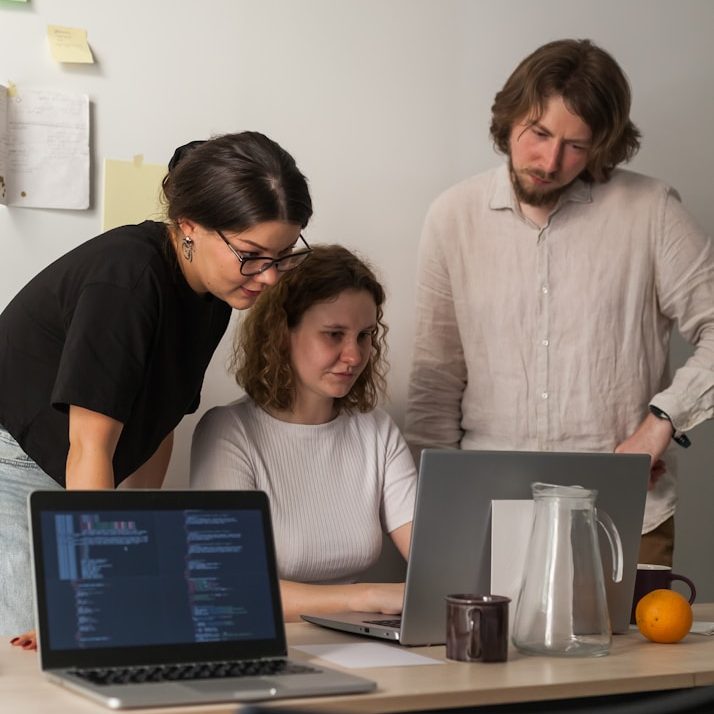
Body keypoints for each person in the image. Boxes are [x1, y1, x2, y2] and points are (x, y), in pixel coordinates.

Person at [405, 39, 714, 566]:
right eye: (539, 133)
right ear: (509, 119)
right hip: (487, 517)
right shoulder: (453, 216)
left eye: (577, 145)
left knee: (647, 628)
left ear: (603, 145)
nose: (550, 162)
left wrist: (661, 422)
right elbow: (436, 386)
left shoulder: (652, 211)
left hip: (623, 516)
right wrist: (433, 517)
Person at [0, 131, 313, 642]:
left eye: (282, 256)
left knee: (100, 633)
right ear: (189, 226)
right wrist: (93, 589)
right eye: (252, 254)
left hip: (75, 470)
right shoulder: (127, 279)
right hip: (14, 463)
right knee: (37, 649)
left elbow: (157, 426)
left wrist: (136, 544)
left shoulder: (214, 293)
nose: (270, 277)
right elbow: (90, 447)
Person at [190, 245, 416, 621]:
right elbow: (231, 584)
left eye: (364, 335)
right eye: (334, 334)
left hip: (358, 637)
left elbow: (432, 560)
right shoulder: (229, 432)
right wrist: (365, 597)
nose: (355, 355)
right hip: (266, 637)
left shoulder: (376, 429)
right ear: (282, 335)